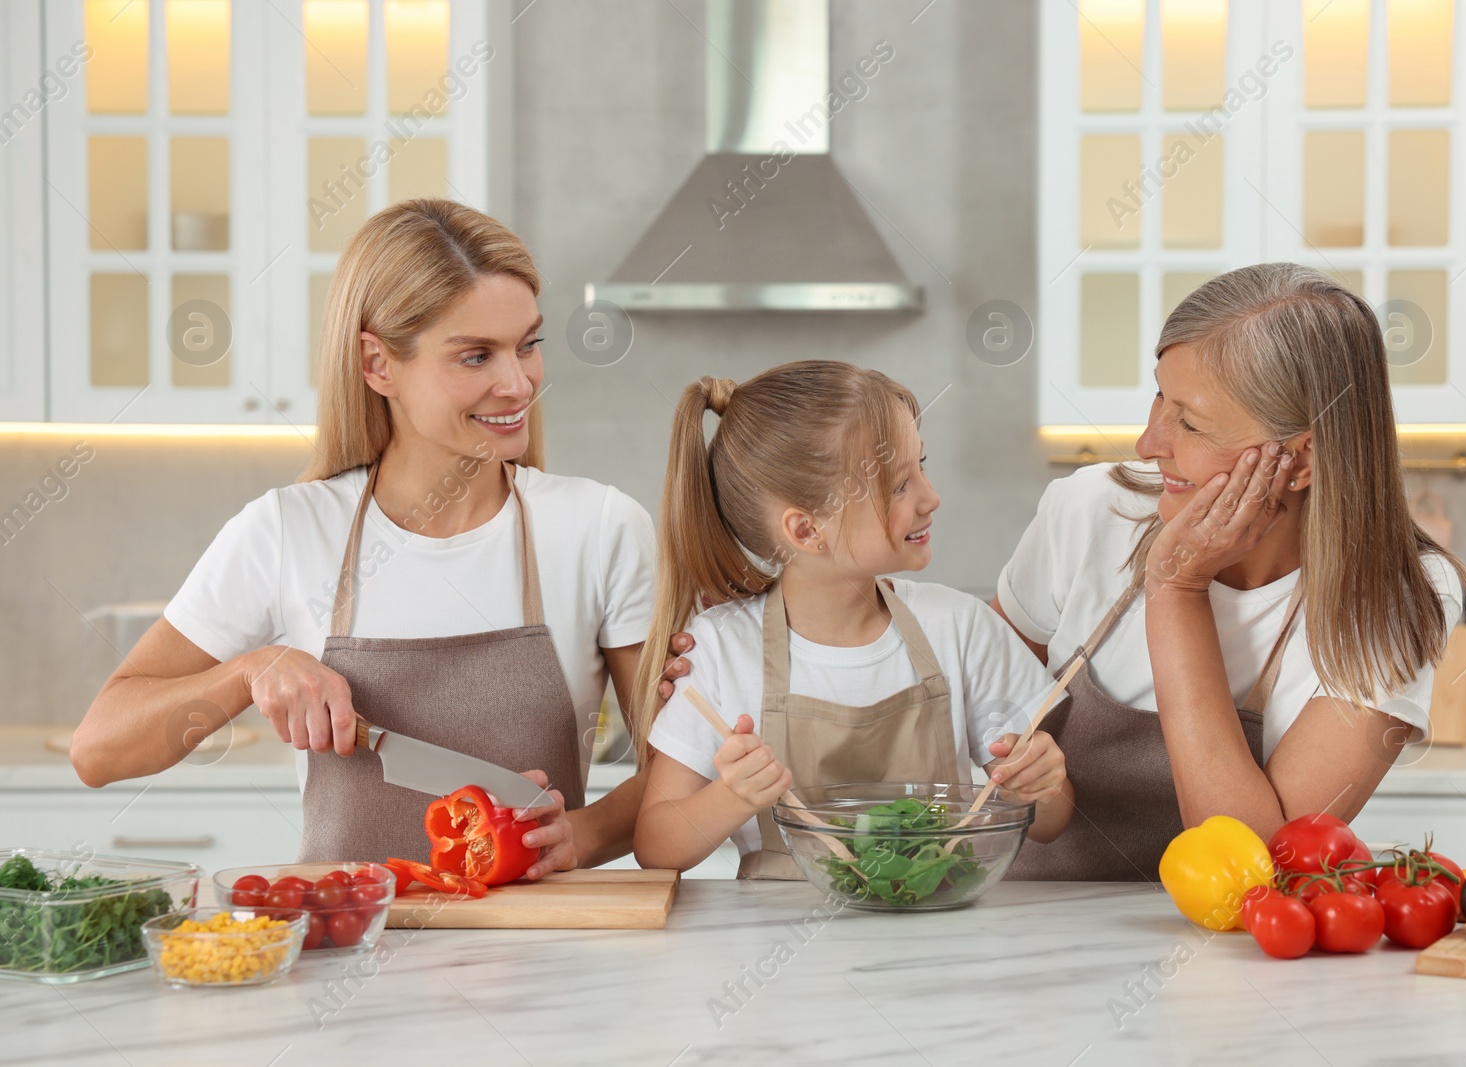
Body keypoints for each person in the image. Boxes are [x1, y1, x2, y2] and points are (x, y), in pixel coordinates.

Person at [72, 199, 655, 877]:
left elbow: (682, 769)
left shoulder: (599, 528)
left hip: (539, 961)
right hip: (343, 954)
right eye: (475, 355)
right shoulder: (287, 531)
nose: (517, 381)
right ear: (377, 364)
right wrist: (246, 671)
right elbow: (98, 748)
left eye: (528, 344)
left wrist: (582, 835)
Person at [991, 263, 1466, 879]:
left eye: (1189, 422)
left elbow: (1263, 863)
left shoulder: (1394, 597)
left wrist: (1177, 589)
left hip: (1233, 962)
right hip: (1021, 941)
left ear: (1300, 459)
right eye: (1159, 399)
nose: (1147, 442)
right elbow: (974, 703)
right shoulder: (1089, 512)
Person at [631, 361, 1070, 879]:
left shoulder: (961, 628)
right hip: (776, 941)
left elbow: (1051, 821)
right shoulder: (721, 650)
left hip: (941, 941)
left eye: (921, 467)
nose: (931, 497)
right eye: (898, 485)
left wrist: (1039, 785)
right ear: (805, 529)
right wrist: (731, 796)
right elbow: (655, 846)